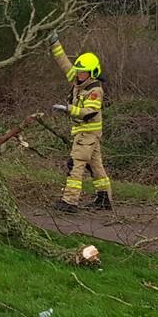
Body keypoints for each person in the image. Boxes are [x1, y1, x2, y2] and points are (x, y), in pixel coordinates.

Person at [48, 32, 112, 212]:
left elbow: (89, 112)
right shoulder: (78, 81)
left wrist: (67, 109)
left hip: (87, 133)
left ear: (92, 73)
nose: (79, 74)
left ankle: (70, 202)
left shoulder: (94, 90)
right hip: (86, 134)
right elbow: (64, 63)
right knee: (96, 166)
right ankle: (104, 198)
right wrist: (54, 43)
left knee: (75, 165)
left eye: (83, 72)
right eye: (79, 71)